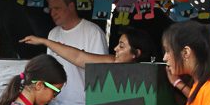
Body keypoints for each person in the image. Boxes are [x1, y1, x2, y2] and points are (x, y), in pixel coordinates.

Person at [43, 0, 107, 105]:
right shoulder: (52, 34)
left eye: (57, 8)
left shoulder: (93, 32)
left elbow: (100, 77)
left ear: (71, 6)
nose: (53, 13)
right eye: (51, 8)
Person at [21, 27, 154, 68]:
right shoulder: (112, 62)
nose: (115, 49)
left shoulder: (152, 74)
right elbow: (78, 57)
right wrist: (44, 41)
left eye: (121, 46)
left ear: (136, 53)